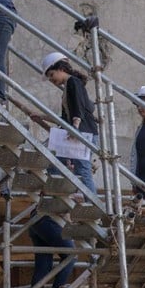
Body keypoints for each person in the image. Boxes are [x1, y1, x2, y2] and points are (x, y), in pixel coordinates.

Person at [42, 51, 99, 192]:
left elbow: (78, 107)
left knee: (83, 169)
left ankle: (92, 204)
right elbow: (64, 118)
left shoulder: (73, 82)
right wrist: (40, 116)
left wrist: (75, 126)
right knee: (54, 162)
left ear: (61, 69)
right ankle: (57, 193)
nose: (51, 79)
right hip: (77, 131)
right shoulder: (68, 87)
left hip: (83, 132)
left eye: (51, 74)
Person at [26, 212, 76, 288]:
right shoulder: (86, 197)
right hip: (48, 220)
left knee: (43, 267)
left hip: (37, 220)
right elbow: (78, 197)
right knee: (72, 255)